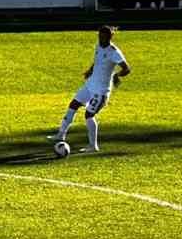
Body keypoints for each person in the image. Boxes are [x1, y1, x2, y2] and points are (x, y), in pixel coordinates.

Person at [52, 26, 132, 155]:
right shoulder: (98, 46)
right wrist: (90, 70)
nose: (100, 39)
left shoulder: (114, 52)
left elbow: (127, 68)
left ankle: (93, 146)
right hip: (90, 85)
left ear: (110, 37)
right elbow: (98, 60)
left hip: (101, 91)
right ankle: (61, 135)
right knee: (73, 105)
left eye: (103, 37)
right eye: (99, 36)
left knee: (89, 115)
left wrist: (117, 75)